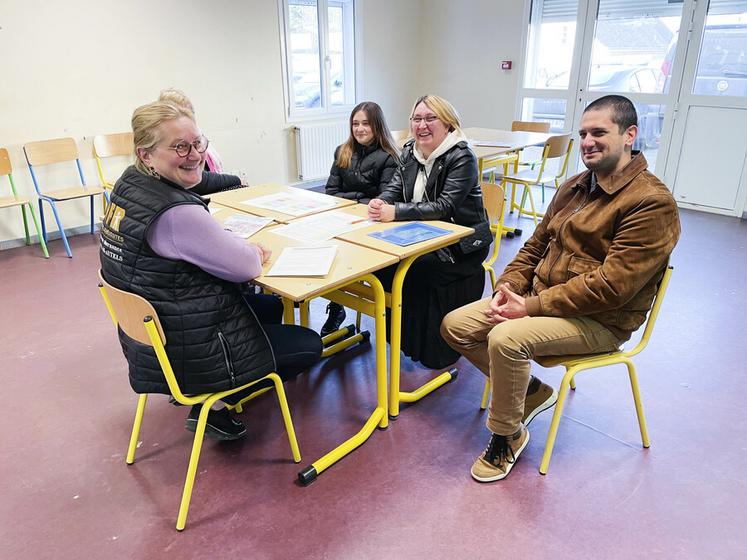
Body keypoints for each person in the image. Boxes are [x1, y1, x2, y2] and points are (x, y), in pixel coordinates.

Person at [441, 95, 681, 483]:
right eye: (584, 133)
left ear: (629, 135)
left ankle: (506, 435)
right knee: (456, 324)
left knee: (505, 338)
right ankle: (531, 391)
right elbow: (534, 246)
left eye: (599, 132)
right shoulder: (574, 187)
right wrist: (508, 287)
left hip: (601, 320)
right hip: (540, 303)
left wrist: (531, 307)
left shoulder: (651, 204)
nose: (588, 141)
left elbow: (612, 288)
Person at [100, 100, 322, 440]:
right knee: (309, 343)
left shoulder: (129, 185)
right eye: (180, 147)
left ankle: (219, 398)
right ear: (146, 154)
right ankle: (215, 398)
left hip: (158, 339)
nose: (194, 154)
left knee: (272, 305)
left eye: (198, 142)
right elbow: (247, 265)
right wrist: (251, 249)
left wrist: (217, 241)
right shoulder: (175, 213)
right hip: (195, 350)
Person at [367, 94, 492, 369]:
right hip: (422, 234)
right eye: (416, 118)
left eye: (430, 118)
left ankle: (428, 346)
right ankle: (404, 337)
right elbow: (396, 186)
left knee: (415, 269)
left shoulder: (462, 156)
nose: (421, 125)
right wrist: (382, 201)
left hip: (462, 244)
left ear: (447, 123)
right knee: (381, 264)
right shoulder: (410, 150)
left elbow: (445, 205)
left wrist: (396, 212)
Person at [321, 101, 400, 336]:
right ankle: (337, 306)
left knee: (351, 254)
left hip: (374, 224)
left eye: (366, 123)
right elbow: (330, 192)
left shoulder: (389, 156)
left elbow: (383, 201)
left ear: (377, 125)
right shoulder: (342, 151)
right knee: (332, 249)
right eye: (355, 123)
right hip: (345, 219)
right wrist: (359, 197)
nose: (360, 128)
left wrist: (354, 200)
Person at [158, 88, 246, 195]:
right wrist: (235, 180)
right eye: (181, 113)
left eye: (190, 113)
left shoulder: (197, 134)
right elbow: (195, 179)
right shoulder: (165, 140)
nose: (196, 155)